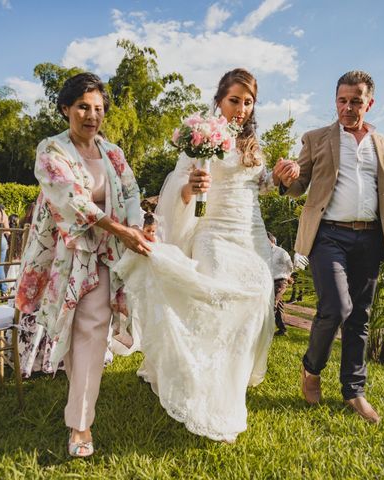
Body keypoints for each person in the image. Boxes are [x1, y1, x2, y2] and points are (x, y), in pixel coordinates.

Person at [114, 68, 299, 443]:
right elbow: (177, 191)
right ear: (219, 100)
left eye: (248, 102)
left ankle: (230, 379)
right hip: (212, 231)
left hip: (250, 234)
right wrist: (189, 188)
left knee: (258, 295)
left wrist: (279, 176)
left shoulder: (252, 144)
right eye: (235, 100)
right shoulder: (199, 137)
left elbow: (261, 185)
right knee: (215, 298)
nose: (241, 109)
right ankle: (198, 381)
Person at [14, 72, 151, 458]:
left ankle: (80, 425)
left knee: (91, 332)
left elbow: (131, 192)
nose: (92, 116)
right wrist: (122, 231)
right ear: (65, 109)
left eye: (98, 109)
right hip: (64, 256)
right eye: (83, 107)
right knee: (76, 333)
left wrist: (136, 229)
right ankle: (78, 401)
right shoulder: (51, 150)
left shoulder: (113, 153)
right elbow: (71, 199)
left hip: (103, 256)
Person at [275, 70, 384, 424]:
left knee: (360, 318)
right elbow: (299, 186)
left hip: (370, 238)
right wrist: (287, 178)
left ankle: (354, 391)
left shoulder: (383, 144)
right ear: (335, 101)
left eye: (356, 101)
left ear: (369, 103)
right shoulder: (317, 138)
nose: (348, 107)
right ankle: (311, 369)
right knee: (336, 307)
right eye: (342, 100)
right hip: (328, 236)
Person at [267, 232, 293, 336]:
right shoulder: (265, 253)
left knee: (271, 303)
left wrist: (287, 276)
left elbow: (290, 266)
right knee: (279, 306)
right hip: (270, 281)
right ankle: (282, 329)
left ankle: (266, 330)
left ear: (272, 240)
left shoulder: (281, 252)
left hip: (281, 281)